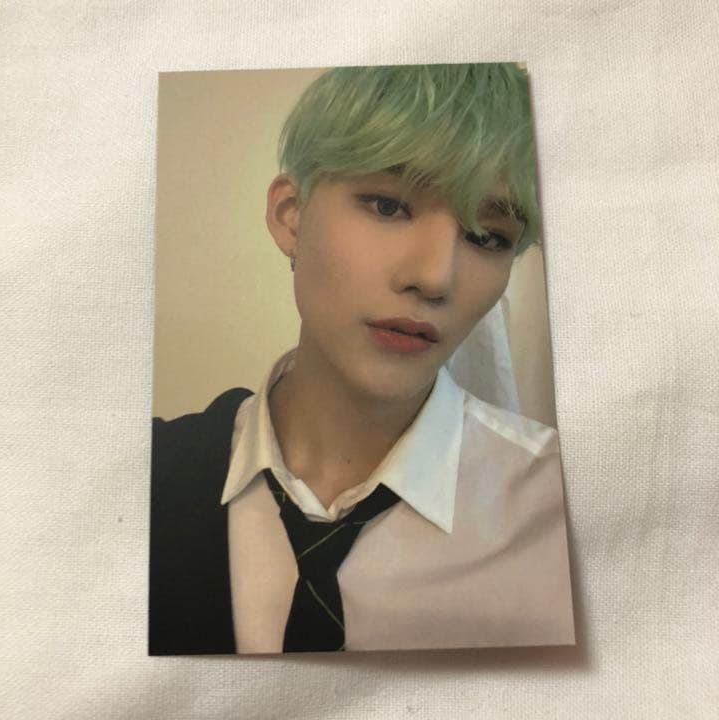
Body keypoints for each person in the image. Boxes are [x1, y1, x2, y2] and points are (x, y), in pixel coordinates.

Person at [149, 63, 574, 655]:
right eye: (388, 206)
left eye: (488, 237)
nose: (434, 276)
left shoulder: (561, 510)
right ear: (291, 216)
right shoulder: (147, 479)